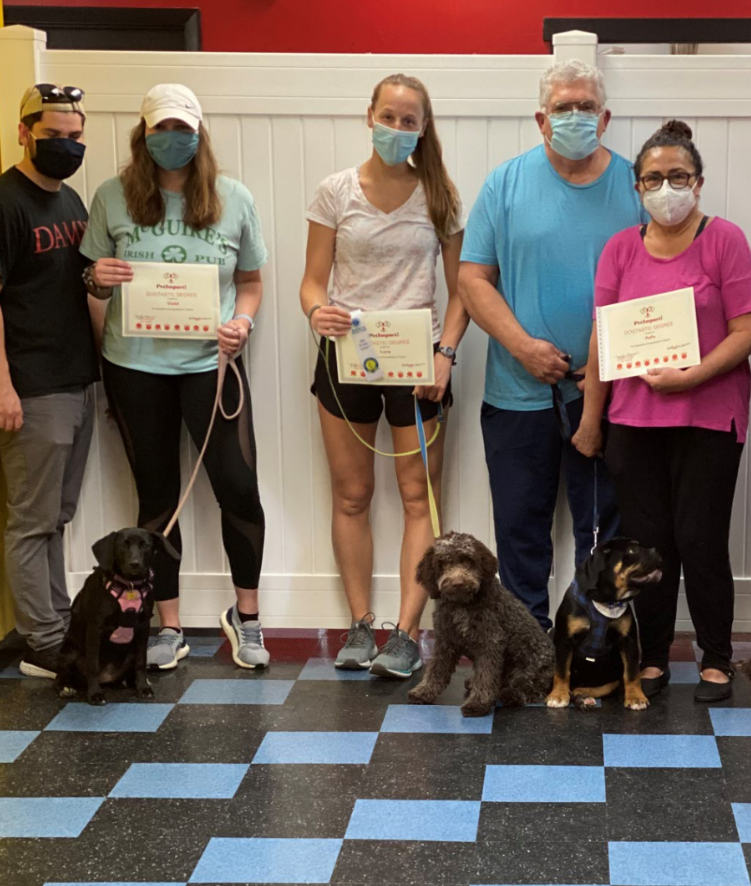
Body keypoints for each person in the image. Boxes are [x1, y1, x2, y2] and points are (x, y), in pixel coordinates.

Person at [81, 83, 270, 670]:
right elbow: (89, 278)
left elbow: (252, 283)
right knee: (158, 497)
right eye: (161, 129)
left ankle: (248, 617)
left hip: (210, 367)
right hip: (134, 366)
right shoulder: (111, 197)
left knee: (237, 488)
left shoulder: (233, 197)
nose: (172, 140)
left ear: (199, 133)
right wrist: (98, 280)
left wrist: (241, 322)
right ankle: (166, 624)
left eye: (182, 130)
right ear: (144, 135)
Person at [578, 120, 751, 702]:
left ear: (699, 182)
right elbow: (601, 337)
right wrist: (591, 417)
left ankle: (715, 659)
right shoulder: (620, 249)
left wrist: (691, 378)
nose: (666, 187)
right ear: (637, 187)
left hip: (709, 417)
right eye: (653, 178)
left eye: (677, 176)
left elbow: (749, 328)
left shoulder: (724, 240)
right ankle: (652, 658)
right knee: (647, 546)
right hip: (633, 422)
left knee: (701, 538)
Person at [459, 60, 644, 630]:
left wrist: (609, 366)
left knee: (609, 535)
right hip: (518, 393)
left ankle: (600, 650)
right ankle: (528, 650)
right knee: (520, 533)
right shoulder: (505, 183)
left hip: (611, 394)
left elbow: (657, 286)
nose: (575, 116)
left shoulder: (638, 186)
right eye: (563, 108)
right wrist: (523, 347)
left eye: (586, 106)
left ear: (606, 117)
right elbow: (471, 279)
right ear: (542, 120)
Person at [301, 73, 468, 678]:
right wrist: (315, 309)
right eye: (388, 117)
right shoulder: (334, 193)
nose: (397, 129)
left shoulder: (440, 194)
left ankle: (406, 633)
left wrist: (445, 355)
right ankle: (360, 625)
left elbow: (462, 291)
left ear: (424, 127)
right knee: (352, 495)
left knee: (418, 497)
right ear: (367, 115)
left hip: (419, 365)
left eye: (409, 120)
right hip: (346, 361)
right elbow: (311, 282)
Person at [0, 84, 100, 678]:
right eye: (53, 136)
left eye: (73, 137)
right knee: (32, 519)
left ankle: (55, 625)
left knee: (57, 516)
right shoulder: (6, 202)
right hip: (33, 387)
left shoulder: (71, 202)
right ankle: (41, 640)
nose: (65, 146)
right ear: (23, 132)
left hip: (77, 380)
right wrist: (4, 387)